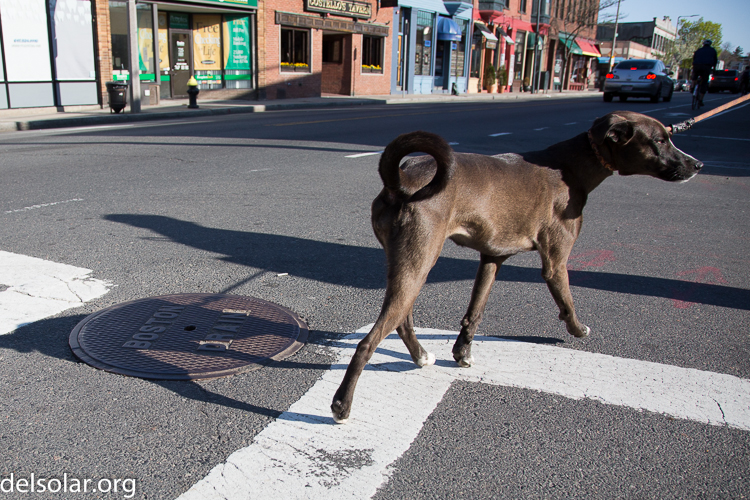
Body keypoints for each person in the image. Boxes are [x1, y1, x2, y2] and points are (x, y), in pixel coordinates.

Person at [692, 40, 718, 107]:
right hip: (706, 67)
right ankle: (700, 100)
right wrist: (714, 68)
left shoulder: (699, 50)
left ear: (703, 44)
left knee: (694, 76)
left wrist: (694, 65)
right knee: (704, 82)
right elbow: (715, 60)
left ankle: (692, 86)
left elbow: (694, 58)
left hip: (697, 65)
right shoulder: (713, 50)